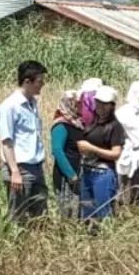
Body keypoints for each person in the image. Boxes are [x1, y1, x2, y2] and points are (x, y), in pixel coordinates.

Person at [0, 60, 49, 224]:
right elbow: (7, 142)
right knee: (18, 216)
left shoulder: (32, 104)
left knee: (39, 215)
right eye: (39, 81)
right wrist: (15, 172)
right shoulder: (9, 107)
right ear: (27, 81)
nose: (42, 84)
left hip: (36, 166)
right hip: (20, 168)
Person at [77, 85, 126, 224]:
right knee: (87, 215)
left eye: (105, 104)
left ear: (112, 106)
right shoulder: (94, 122)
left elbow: (116, 154)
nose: (100, 106)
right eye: (98, 102)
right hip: (87, 171)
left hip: (103, 174)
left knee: (104, 215)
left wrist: (91, 148)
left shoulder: (115, 126)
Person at [50, 91, 85, 219]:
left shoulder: (77, 123)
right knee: (69, 214)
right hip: (67, 177)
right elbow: (57, 151)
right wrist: (72, 175)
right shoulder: (61, 125)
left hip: (79, 172)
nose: (81, 106)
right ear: (70, 104)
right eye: (78, 104)